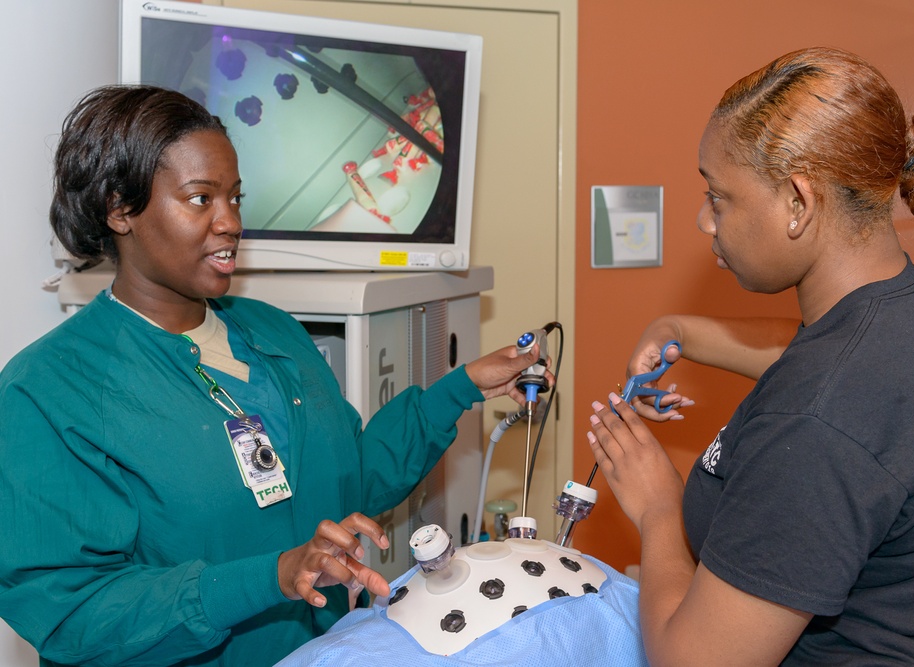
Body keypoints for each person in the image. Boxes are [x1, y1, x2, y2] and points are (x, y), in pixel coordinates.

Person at [0, 85, 550, 667]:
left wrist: (463, 387)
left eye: (235, 198)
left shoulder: (273, 333)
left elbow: (350, 484)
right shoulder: (52, 390)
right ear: (120, 209)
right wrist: (272, 577)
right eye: (199, 198)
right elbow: (73, 612)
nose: (231, 221)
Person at [587, 47, 914, 665]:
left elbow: (693, 661)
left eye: (718, 197)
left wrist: (657, 508)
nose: (705, 220)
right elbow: (812, 350)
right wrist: (680, 330)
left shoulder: (816, 426)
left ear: (799, 203)